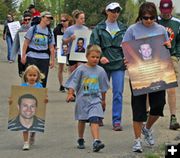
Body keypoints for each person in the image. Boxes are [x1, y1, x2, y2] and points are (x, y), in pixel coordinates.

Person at [122, 2, 171, 152]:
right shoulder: (132, 29)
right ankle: (137, 141)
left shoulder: (161, 29)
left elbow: (166, 46)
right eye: (145, 17)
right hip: (138, 72)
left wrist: (168, 45)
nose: (149, 20)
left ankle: (147, 128)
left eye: (152, 17)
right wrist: (127, 59)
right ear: (140, 16)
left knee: (158, 105)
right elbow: (125, 47)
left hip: (157, 71)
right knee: (138, 107)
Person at [65, 45, 109, 152]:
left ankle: (96, 141)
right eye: (93, 57)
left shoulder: (101, 71)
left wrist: (103, 101)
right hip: (82, 100)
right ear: (87, 56)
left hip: (95, 100)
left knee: (95, 119)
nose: (95, 59)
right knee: (82, 120)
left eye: (97, 57)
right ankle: (80, 138)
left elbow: (103, 87)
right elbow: (73, 82)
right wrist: (70, 93)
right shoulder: (81, 69)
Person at [90, 2, 127, 131]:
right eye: (112, 11)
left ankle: (117, 121)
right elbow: (93, 46)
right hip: (103, 65)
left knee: (118, 93)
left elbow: (129, 45)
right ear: (107, 12)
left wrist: (126, 57)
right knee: (99, 92)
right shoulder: (99, 28)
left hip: (119, 64)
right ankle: (98, 116)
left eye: (117, 11)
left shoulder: (124, 28)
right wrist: (100, 57)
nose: (115, 13)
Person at [8, 65, 47, 150]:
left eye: (34, 75)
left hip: (35, 109)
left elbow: (42, 97)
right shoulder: (23, 86)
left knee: (33, 125)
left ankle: (32, 133)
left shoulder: (39, 86)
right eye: (30, 75)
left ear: (37, 76)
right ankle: (26, 142)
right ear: (26, 76)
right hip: (25, 111)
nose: (32, 77)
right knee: (25, 126)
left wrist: (45, 100)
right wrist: (11, 100)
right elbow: (17, 96)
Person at [158, 0, 180, 130]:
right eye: (163, 11)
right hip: (156, 56)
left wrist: (177, 56)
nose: (165, 13)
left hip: (171, 56)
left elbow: (178, 41)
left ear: (172, 8)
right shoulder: (154, 20)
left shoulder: (177, 23)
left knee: (171, 88)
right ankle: (147, 112)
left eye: (168, 11)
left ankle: (173, 117)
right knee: (152, 87)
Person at [21, 11, 55, 88]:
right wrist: (23, 56)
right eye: (47, 18)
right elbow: (26, 43)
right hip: (32, 57)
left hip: (44, 58)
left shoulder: (50, 32)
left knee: (42, 80)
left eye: (50, 18)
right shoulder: (33, 29)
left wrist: (52, 60)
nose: (49, 20)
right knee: (29, 79)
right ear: (42, 18)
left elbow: (51, 47)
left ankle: (40, 98)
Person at [53, 13, 73, 92]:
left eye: (64, 21)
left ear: (69, 21)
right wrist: (55, 46)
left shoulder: (72, 29)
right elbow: (53, 40)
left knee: (70, 68)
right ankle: (61, 85)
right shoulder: (57, 29)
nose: (62, 22)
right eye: (61, 21)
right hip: (60, 50)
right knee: (60, 68)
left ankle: (69, 85)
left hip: (70, 50)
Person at [10, 12, 32, 77]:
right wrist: (12, 57)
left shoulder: (35, 29)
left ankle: (29, 86)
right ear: (23, 20)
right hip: (21, 54)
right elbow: (15, 44)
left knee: (30, 74)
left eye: (29, 19)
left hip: (31, 55)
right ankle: (23, 86)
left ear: (31, 19)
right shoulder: (20, 30)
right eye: (25, 20)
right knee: (22, 74)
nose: (27, 21)